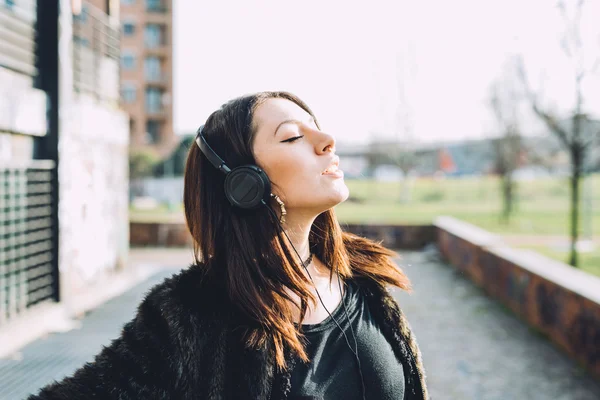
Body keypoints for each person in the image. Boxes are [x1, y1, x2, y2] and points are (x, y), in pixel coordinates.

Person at [28, 91, 429, 400]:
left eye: (316, 126)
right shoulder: (185, 316)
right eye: (292, 136)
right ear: (244, 183)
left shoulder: (364, 282)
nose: (327, 141)